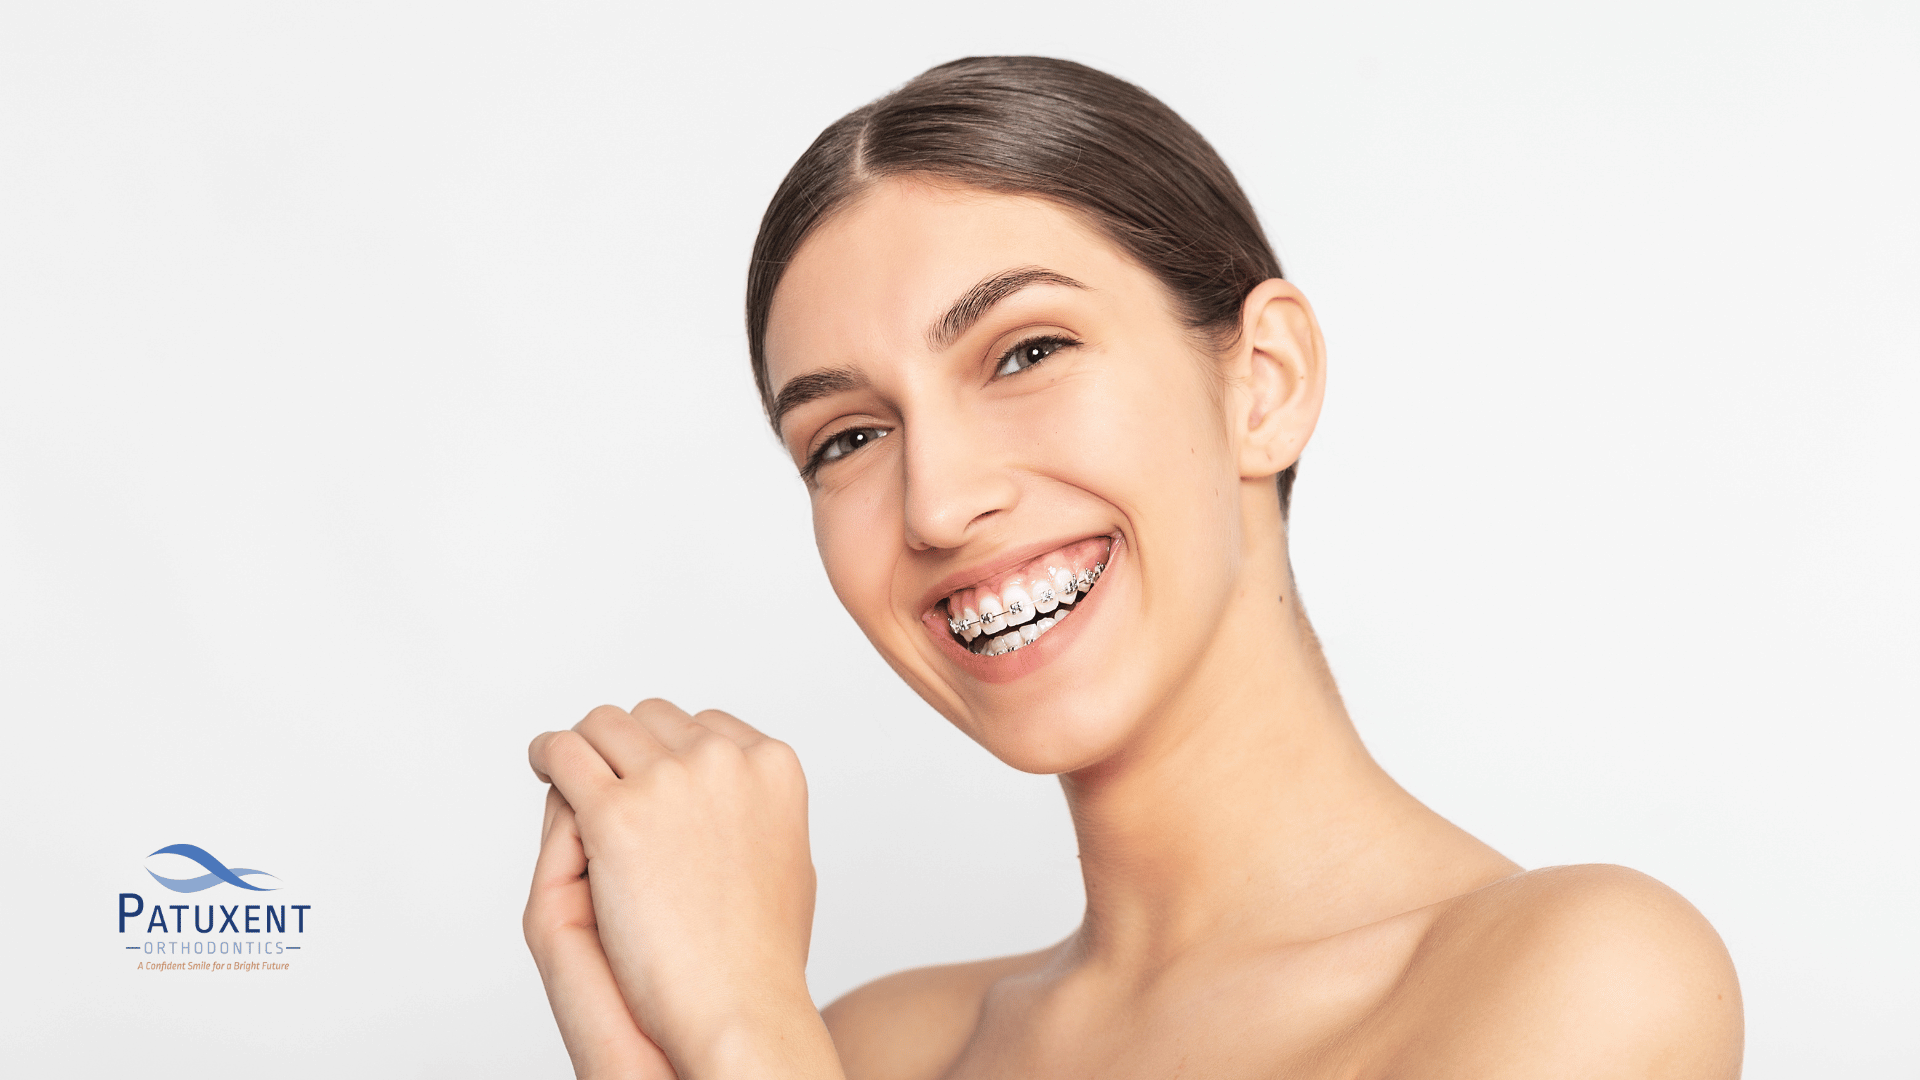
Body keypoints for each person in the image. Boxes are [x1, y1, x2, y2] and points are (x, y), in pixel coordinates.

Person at [522, 56, 1743, 1079]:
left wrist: (743, 1033)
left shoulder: (1586, 978)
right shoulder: (884, 1048)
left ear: (1262, 382)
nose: (940, 504)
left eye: (1026, 350)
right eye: (846, 437)